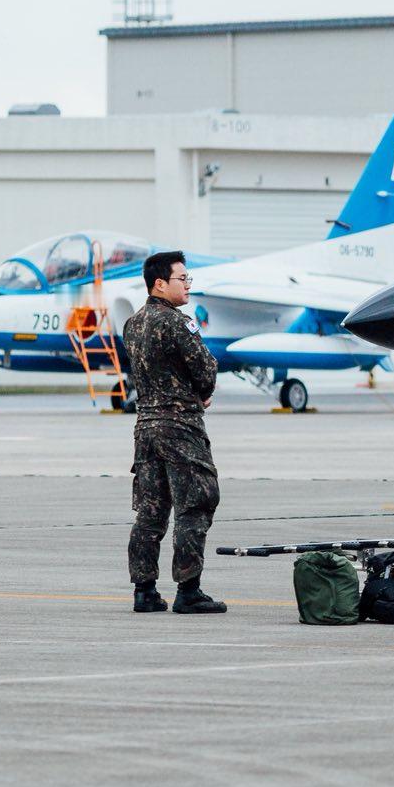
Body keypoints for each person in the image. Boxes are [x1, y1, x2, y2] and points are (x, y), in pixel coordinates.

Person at [121, 251, 226, 614]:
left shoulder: (132, 324)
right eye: (182, 279)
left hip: (146, 428)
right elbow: (205, 370)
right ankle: (189, 589)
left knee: (150, 511)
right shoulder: (178, 323)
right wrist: (201, 393)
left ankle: (144, 591)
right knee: (195, 503)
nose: (188, 285)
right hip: (180, 426)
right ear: (160, 283)